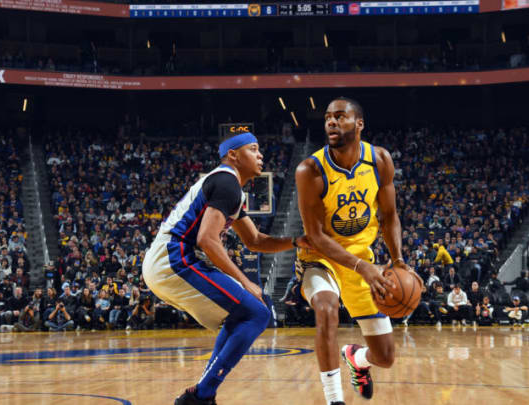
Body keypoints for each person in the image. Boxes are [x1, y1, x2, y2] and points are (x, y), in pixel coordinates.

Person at [142, 131, 310, 405]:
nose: (261, 155)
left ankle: (202, 394)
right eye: (254, 149)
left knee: (243, 315)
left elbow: (255, 241)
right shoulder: (226, 182)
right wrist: (245, 281)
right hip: (173, 258)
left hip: (167, 261)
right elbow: (207, 239)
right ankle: (200, 396)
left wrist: (296, 241)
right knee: (257, 311)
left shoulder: (231, 189)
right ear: (233, 155)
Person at [295, 97, 422, 405]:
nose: (331, 122)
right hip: (321, 259)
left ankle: (357, 358)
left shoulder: (379, 160)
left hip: (362, 261)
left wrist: (399, 261)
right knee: (326, 309)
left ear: (359, 123)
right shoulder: (310, 170)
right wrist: (363, 268)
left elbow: (389, 216)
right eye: (327, 118)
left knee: (386, 357)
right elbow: (315, 235)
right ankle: (334, 400)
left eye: (340, 116)